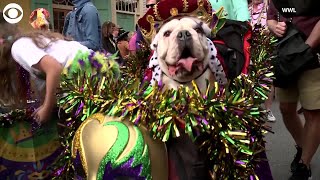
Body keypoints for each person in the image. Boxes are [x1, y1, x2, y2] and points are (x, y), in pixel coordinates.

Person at [0, 12, 90, 179]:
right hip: (82, 82)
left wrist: (47, 108)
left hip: (93, 77)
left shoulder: (18, 47)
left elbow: (53, 68)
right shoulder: (18, 52)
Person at [267, 1, 320, 179]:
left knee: (313, 113)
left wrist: (305, 50)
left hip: (312, 57)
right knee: (286, 109)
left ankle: (303, 166)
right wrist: (274, 26)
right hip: (285, 58)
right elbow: (271, 18)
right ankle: (303, 147)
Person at [249, 0, 276, 122]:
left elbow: (273, 25)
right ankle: (252, 108)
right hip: (249, 49)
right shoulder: (247, 9)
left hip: (265, 48)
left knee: (267, 80)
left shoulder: (268, 7)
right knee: (250, 79)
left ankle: (268, 109)